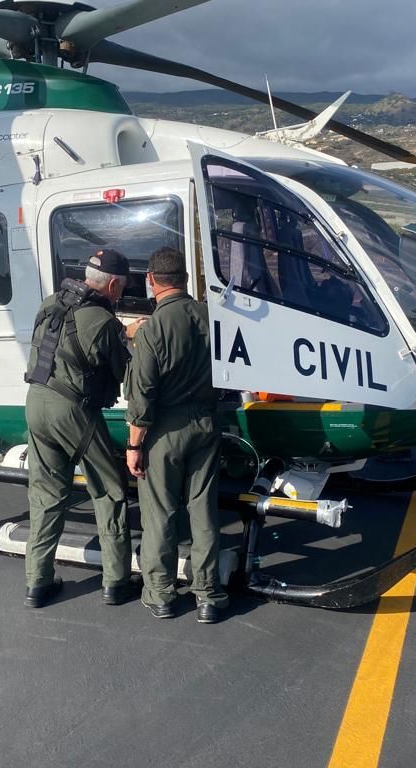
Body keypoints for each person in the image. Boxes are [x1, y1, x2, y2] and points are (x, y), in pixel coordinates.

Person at [23, 249, 138, 609]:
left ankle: (37, 583)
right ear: (114, 284)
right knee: (109, 489)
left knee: (46, 495)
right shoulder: (103, 322)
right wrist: (130, 336)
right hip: (71, 411)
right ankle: (116, 581)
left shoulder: (51, 303)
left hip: (35, 403)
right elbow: (127, 374)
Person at [125, 246, 227, 624]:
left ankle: (162, 594)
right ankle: (209, 595)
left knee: (161, 513)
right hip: (207, 422)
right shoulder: (209, 317)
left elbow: (143, 394)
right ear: (184, 279)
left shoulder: (152, 329)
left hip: (164, 430)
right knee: (204, 511)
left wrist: (134, 445)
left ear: (151, 281)